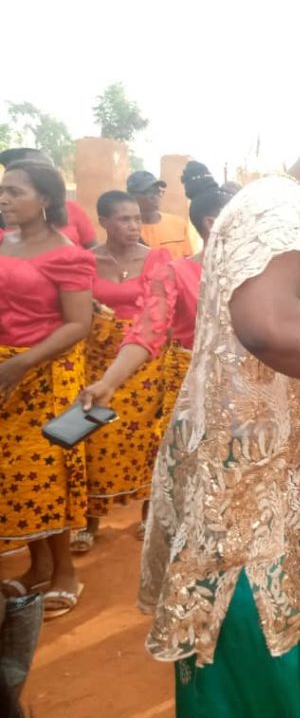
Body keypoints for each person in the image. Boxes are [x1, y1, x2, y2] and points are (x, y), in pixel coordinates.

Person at [124, 97, 300, 717]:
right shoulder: (281, 204)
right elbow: (266, 324)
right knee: (261, 674)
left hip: (286, 485)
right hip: (245, 502)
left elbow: (280, 355)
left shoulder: (299, 219)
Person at [79, 164, 233, 538]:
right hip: (187, 379)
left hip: (242, 386)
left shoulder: (262, 274)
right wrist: (109, 381)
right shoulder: (177, 272)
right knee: (182, 460)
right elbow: (149, 329)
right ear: (213, 223)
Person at [0, 160, 95, 620]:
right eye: (3, 191)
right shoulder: (4, 243)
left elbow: (79, 323)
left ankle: (64, 573)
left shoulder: (67, 253)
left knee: (45, 472)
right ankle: (37, 567)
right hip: (6, 371)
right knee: (16, 478)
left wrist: (22, 361)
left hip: (45, 375)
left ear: (45, 199)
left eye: (15, 192)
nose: (4, 199)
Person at [70, 191, 174, 553]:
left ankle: (149, 513)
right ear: (103, 222)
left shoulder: (157, 259)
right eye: (123, 219)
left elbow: (159, 315)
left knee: (149, 436)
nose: (133, 225)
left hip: (146, 364)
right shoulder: (85, 262)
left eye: (136, 218)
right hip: (97, 358)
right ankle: (89, 520)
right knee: (94, 434)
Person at [0, 148, 98, 249]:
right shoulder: (4, 233)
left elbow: (93, 250)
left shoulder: (70, 255)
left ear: (44, 199)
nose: (3, 200)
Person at [127, 170, 199, 260]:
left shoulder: (178, 224)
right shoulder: (126, 229)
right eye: (148, 192)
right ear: (132, 196)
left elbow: (188, 261)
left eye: (158, 192)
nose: (155, 197)